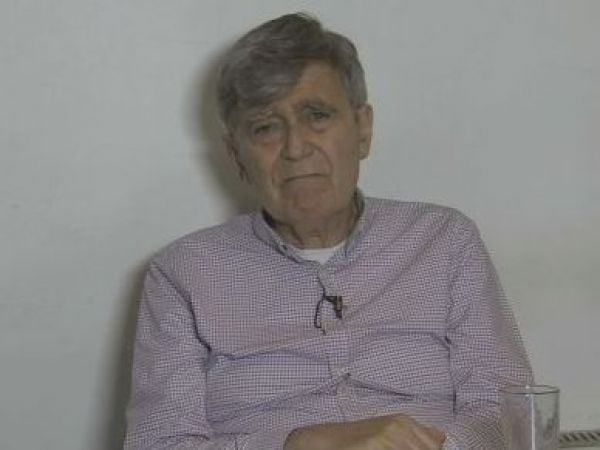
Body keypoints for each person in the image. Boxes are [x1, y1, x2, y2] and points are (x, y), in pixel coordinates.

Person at [124, 13, 532, 449]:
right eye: (265, 128)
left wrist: (430, 447)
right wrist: (297, 445)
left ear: (363, 130)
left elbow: (506, 408)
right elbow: (158, 444)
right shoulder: (183, 274)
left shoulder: (444, 241)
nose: (296, 149)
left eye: (317, 116)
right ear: (236, 155)